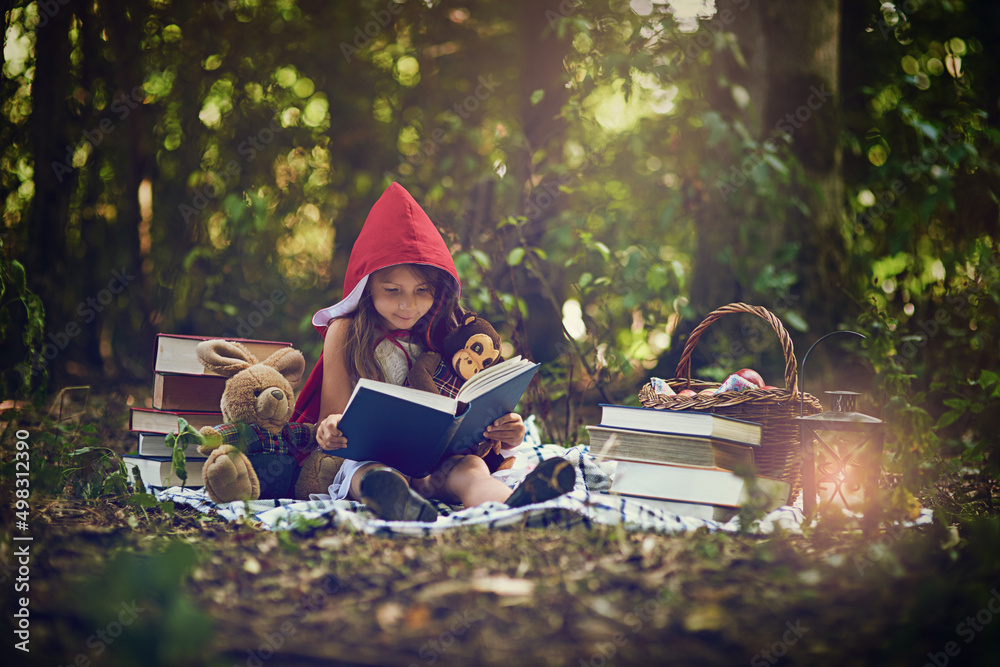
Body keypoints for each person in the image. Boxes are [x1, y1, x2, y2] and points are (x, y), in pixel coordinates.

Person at [293, 183, 574, 521]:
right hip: (371, 459)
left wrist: (508, 429)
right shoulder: (347, 331)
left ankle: (519, 507)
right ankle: (399, 505)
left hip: (439, 465)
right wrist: (330, 429)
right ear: (366, 287)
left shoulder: (448, 333)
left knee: (471, 469)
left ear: (438, 290)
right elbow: (330, 418)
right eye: (392, 290)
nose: (408, 305)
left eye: (422, 291)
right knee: (370, 475)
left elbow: (476, 406)